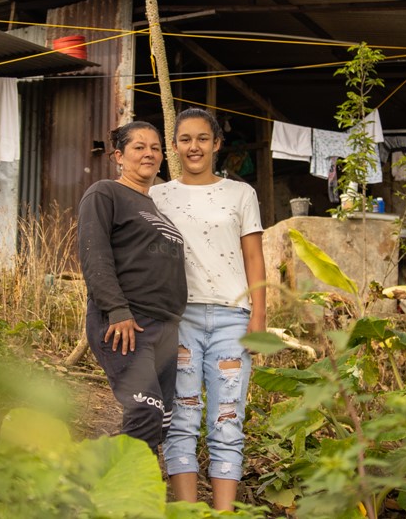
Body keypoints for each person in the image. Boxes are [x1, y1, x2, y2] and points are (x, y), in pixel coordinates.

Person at [150, 108, 266, 511]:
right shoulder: (157, 195)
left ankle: (223, 512)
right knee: (181, 417)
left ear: (217, 144)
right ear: (175, 146)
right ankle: (186, 511)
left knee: (227, 419)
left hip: (232, 320)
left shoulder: (241, 194)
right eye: (185, 139)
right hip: (178, 320)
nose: (193, 147)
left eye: (202, 138)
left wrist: (259, 316)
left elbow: (254, 257)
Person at [77, 120, 188, 451]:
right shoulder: (105, 193)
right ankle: (109, 496)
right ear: (118, 156)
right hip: (127, 322)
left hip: (165, 328)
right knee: (144, 410)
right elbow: (94, 254)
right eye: (139, 147)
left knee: (162, 423)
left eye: (155, 148)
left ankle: (133, 491)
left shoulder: (158, 209)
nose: (149, 153)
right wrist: (116, 309)